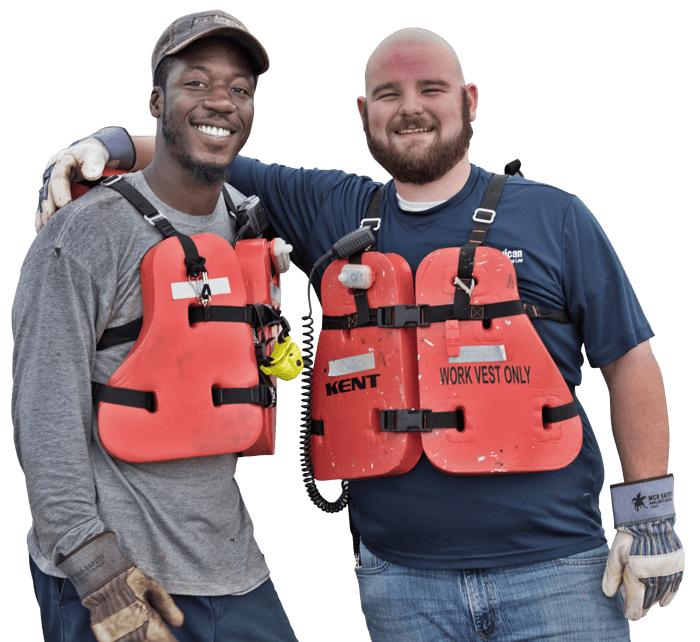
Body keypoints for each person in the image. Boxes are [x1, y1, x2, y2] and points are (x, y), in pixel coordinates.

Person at [32, 22, 683, 642]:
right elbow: (204, 149)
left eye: (431, 90)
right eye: (389, 94)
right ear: (363, 111)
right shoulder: (336, 206)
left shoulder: (557, 216)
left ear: (470, 101)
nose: (411, 108)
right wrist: (109, 145)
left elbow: (628, 358)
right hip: (400, 586)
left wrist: (651, 517)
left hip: (559, 576)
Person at [13, 10, 301, 642]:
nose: (220, 101)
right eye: (195, 83)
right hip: (115, 576)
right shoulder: (83, 235)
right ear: (155, 101)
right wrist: (96, 569)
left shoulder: (247, 219)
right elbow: (44, 411)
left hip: (231, 564)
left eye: (240, 89)